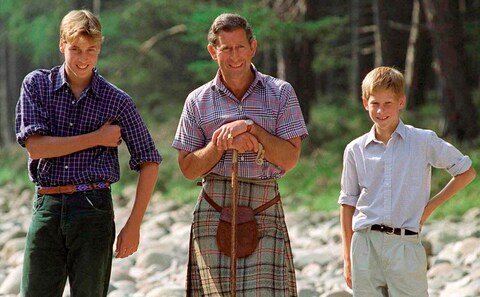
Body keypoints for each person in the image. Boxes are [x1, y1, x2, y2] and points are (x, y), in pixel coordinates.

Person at [15, 9, 161, 297]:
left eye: (91, 50)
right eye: (75, 49)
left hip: (94, 208)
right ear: (61, 45)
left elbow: (149, 160)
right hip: (48, 205)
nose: (83, 59)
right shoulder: (37, 85)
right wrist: (97, 138)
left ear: (100, 47)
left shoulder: (116, 100)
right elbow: (36, 146)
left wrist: (133, 225)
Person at [172, 13, 308, 296]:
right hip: (213, 204)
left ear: (252, 47)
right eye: (226, 48)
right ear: (213, 51)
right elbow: (187, 169)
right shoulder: (197, 100)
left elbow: (290, 159)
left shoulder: (281, 93)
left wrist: (252, 129)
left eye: (240, 47)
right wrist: (221, 143)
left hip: (264, 202)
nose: (234, 56)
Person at [339, 66, 476, 297]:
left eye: (388, 103)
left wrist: (428, 209)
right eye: (375, 103)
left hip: (405, 244)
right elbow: (347, 203)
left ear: (401, 102)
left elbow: (466, 173)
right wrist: (347, 259)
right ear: (365, 103)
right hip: (364, 246)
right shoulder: (355, 150)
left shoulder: (423, 141)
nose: (381, 110)